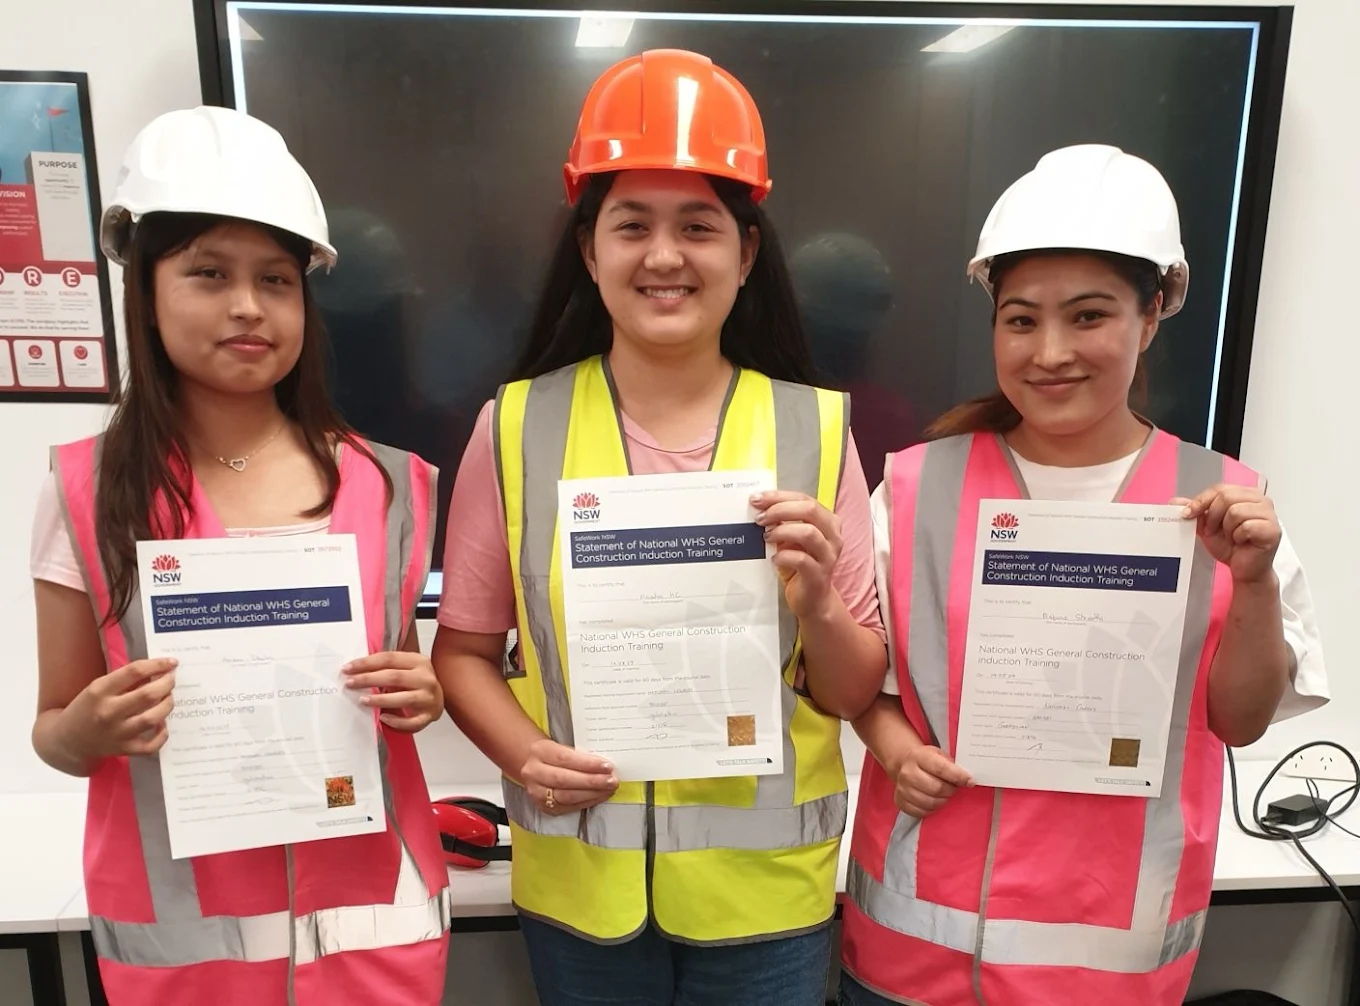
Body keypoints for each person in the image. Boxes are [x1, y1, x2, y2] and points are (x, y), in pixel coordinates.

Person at [432, 49, 886, 1006]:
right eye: (631, 225)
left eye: (699, 226)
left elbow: (851, 691)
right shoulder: (513, 426)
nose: (665, 255)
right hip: (581, 898)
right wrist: (523, 755)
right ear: (590, 250)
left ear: (747, 252)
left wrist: (819, 601)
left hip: (766, 904)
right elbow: (463, 650)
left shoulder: (817, 426)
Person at [839, 144, 1329, 1006]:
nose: (1050, 351)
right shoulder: (915, 485)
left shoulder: (1223, 502)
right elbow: (855, 677)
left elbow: (1242, 721)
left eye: (1090, 316)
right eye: (1021, 319)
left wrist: (1251, 582)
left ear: (1151, 317)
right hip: (909, 960)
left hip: (1107, 971)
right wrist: (891, 745)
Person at [29, 106, 451, 1005]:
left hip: (375, 930)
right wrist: (90, 730)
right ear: (145, 290)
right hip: (188, 951)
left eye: (277, 279)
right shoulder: (87, 490)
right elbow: (54, 729)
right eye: (208, 275)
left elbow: (400, 678)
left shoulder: (391, 482)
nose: (249, 306)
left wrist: (424, 694)